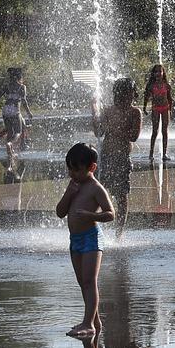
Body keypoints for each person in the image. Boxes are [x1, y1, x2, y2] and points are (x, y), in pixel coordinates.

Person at [55, 142, 115, 337]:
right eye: (70, 169)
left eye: (77, 170)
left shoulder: (96, 188)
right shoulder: (74, 186)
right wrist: (68, 193)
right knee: (83, 282)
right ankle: (95, 321)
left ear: (92, 168)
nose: (72, 174)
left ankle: (88, 323)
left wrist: (91, 216)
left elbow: (110, 214)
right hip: (75, 240)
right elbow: (60, 212)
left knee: (90, 281)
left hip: (91, 239)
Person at [92, 77, 142, 233]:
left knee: (121, 196)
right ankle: (94, 228)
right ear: (119, 93)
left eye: (132, 94)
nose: (129, 97)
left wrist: (115, 129)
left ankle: (118, 234)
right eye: (127, 93)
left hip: (122, 158)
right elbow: (98, 133)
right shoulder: (108, 110)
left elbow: (134, 136)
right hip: (106, 156)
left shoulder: (135, 112)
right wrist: (94, 111)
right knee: (100, 192)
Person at [0, 67, 31, 152]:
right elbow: (24, 101)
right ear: (20, 77)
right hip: (15, 110)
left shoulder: (6, 86)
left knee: (10, 130)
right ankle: (10, 144)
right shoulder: (22, 87)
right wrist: (29, 113)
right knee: (18, 132)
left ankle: (3, 141)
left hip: (5, 110)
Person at [141, 65, 172, 162]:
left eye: (160, 71)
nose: (158, 73)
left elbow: (170, 98)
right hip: (155, 108)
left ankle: (164, 154)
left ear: (163, 73)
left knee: (164, 131)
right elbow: (146, 97)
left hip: (165, 108)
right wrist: (145, 108)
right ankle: (151, 153)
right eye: (156, 72)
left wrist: (170, 110)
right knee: (155, 131)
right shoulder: (151, 85)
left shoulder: (166, 84)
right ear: (153, 74)